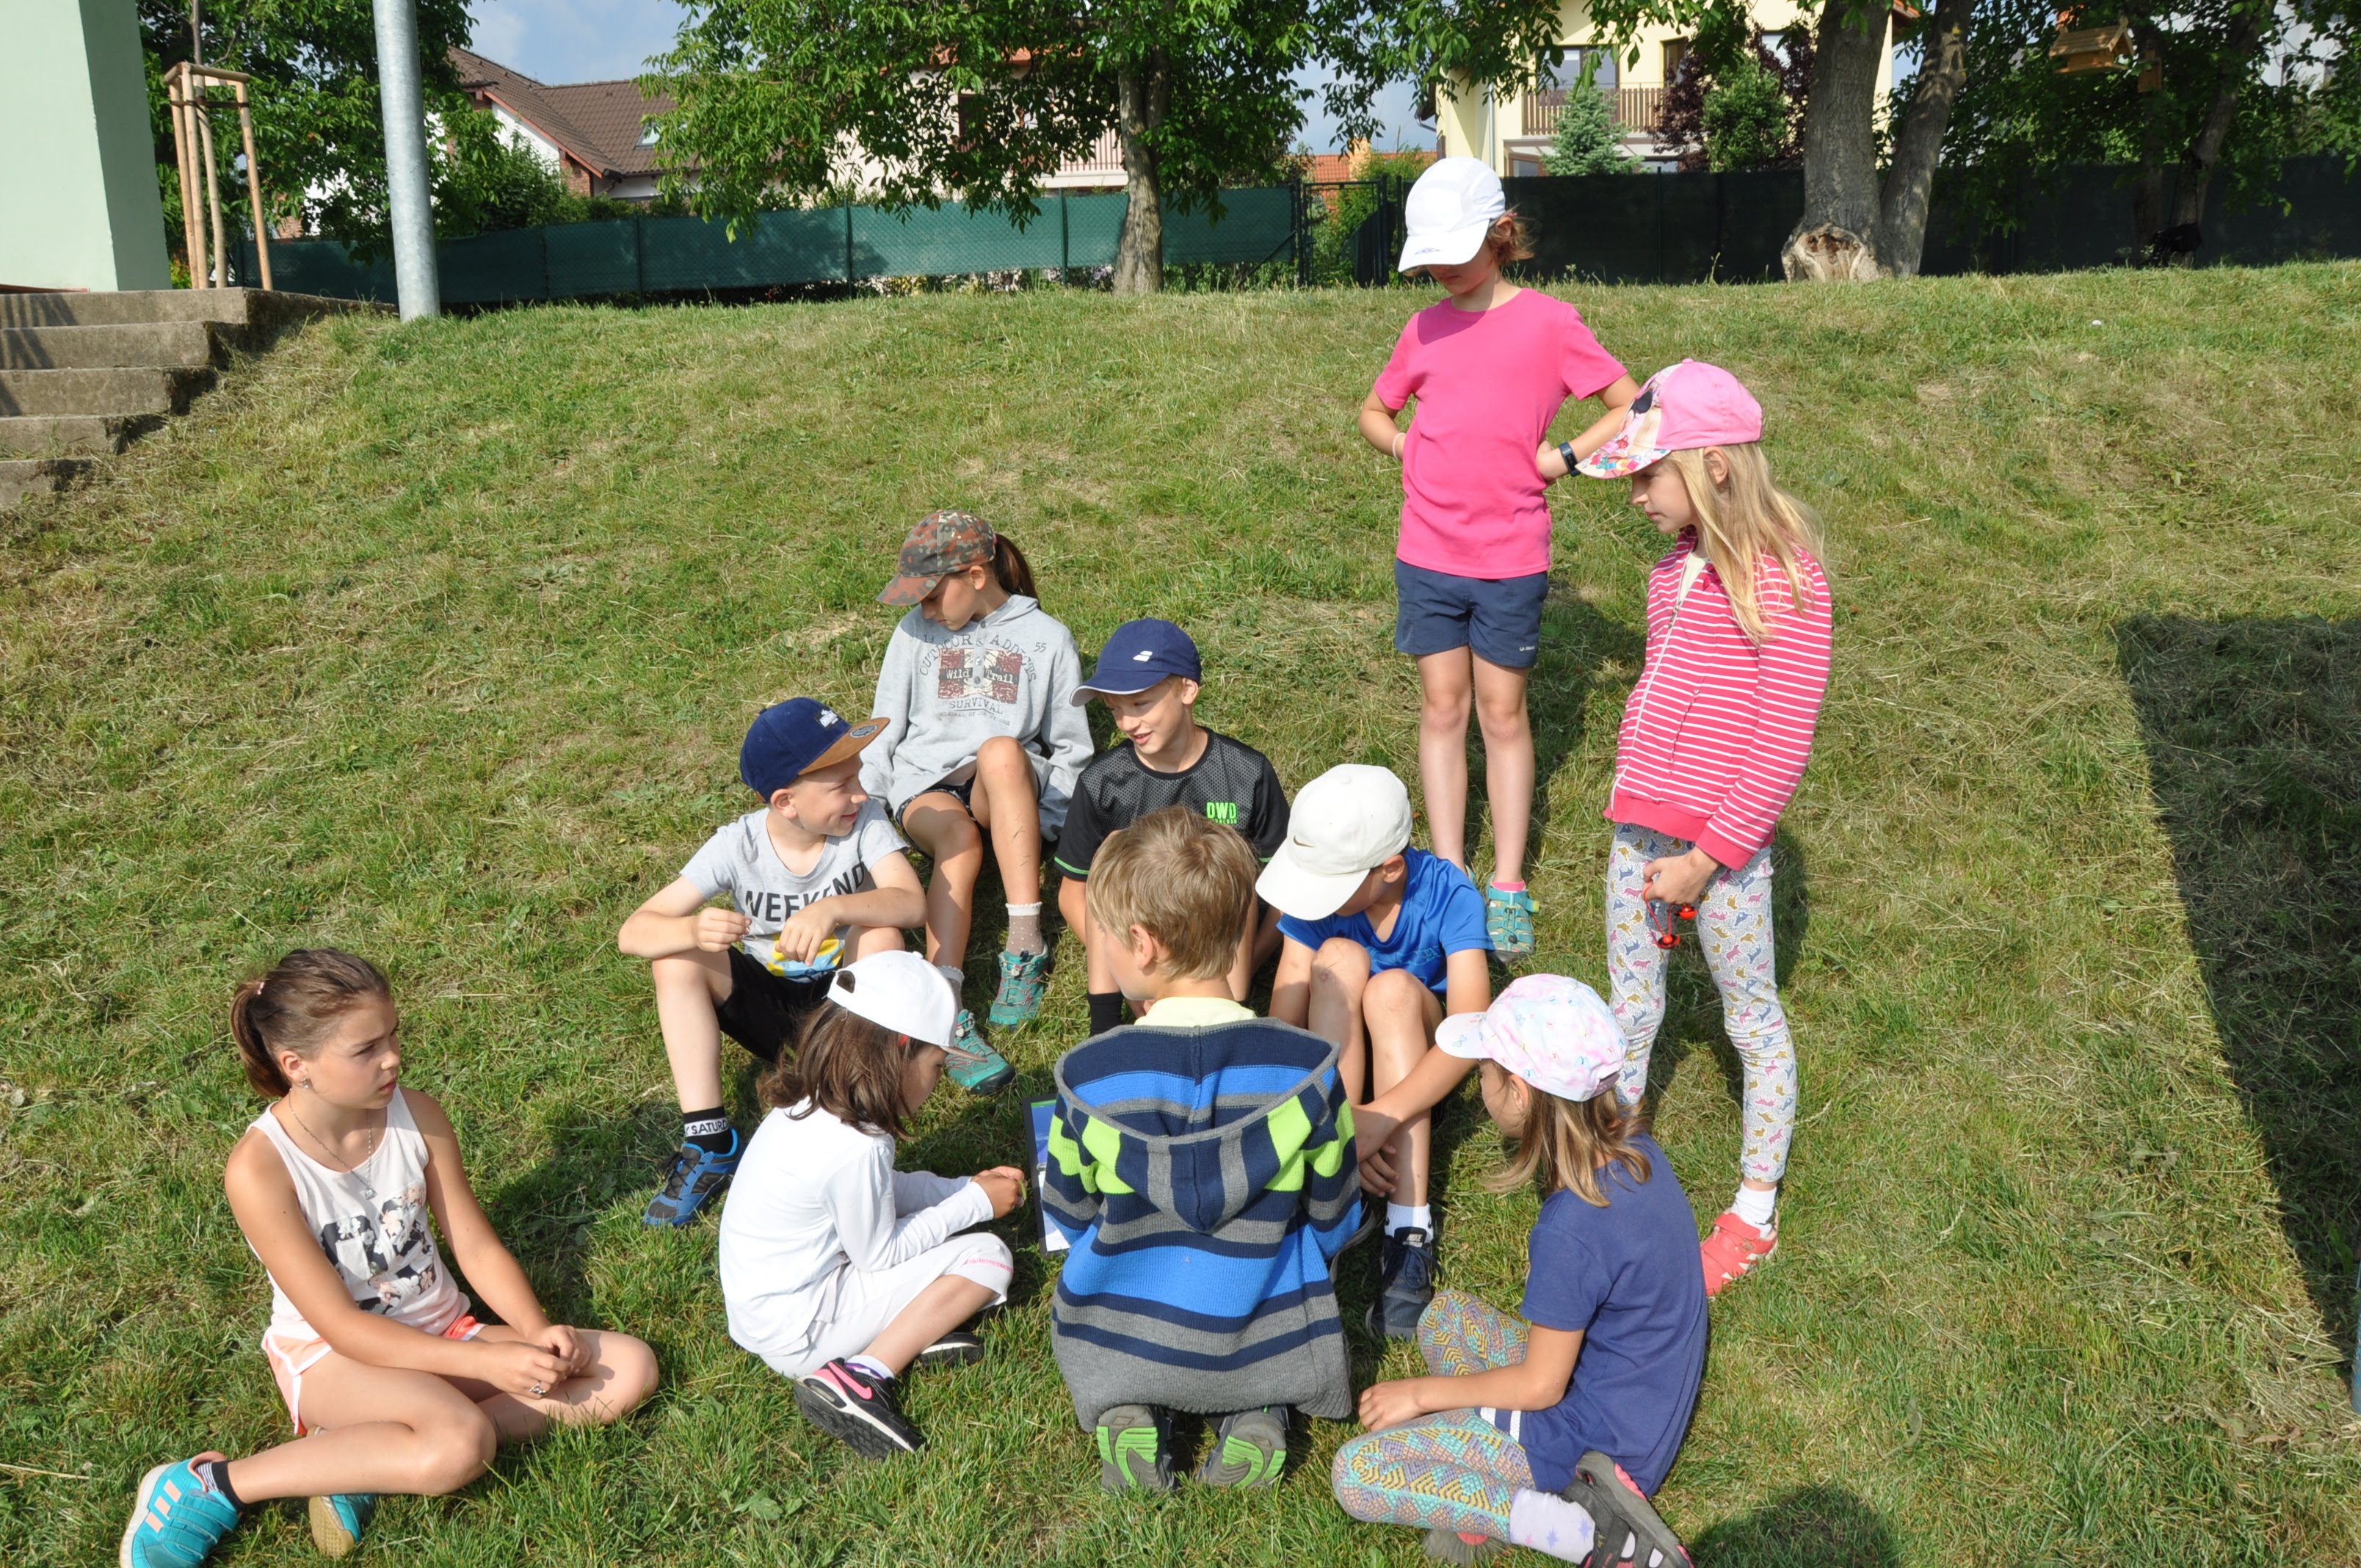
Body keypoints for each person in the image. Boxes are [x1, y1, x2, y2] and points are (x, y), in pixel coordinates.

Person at [121, 951, 659, 1568]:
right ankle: (211, 1485)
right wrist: (487, 1364)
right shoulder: (261, 1169)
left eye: (393, 1035)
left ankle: (368, 1453)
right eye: (366, 1049)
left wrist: (535, 1330)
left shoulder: (417, 1114)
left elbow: (475, 1246)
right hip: (334, 1359)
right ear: (297, 1066)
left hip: (445, 1330)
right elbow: (342, 1327)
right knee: (461, 1445)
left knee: (629, 1368)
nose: (393, 1057)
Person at [1545, 359, 1832, 1294]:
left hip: (1724, 852)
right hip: (1641, 831)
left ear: (1712, 465)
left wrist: (1707, 859)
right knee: (1630, 1005)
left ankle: (1754, 1211)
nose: (1635, 497)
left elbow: (1780, 745)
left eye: (1647, 475)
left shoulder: (1787, 580)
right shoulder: (1673, 569)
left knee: (1751, 1018)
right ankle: (1613, 1165)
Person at [1358, 156, 1640, 959]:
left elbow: (1630, 402)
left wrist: (1565, 458)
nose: (1442, 270)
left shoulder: (1551, 323)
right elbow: (1374, 410)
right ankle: (1451, 874)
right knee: (1442, 709)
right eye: (1432, 258)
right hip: (1427, 554)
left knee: (1502, 714)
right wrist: (1404, 445)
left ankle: (1508, 881)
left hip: (1511, 559)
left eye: (1455, 252)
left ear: (1501, 234)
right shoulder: (1423, 328)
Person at [1331, 976, 1703, 1568]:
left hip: (1599, 1448)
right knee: (1444, 1316)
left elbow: (1541, 1387)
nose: (1479, 1083)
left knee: (1359, 1471)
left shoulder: (1573, 1227)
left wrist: (1420, 1394)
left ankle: (1587, 1529)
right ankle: (1488, 1449)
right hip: (1639, 1403)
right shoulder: (1636, 1152)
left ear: (1521, 1093)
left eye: (1485, 1070)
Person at [1042, 809, 1358, 1492]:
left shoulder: (1090, 1078)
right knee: (1283, 1313)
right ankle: (1259, 1410)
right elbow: (1335, 1214)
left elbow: (1067, 1211)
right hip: (1264, 1329)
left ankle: (1128, 1406)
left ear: (1142, 944)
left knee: (1113, 1344)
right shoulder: (1307, 1070)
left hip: (1127, 1332)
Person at [618, 697, 1008, 1232]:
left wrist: (835, 909)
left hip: (844, 1010)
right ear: (786, 802)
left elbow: (910, 901)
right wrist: (691, 930)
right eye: (842, 785)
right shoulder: (737, 845)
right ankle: (708, 1140)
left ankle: (863, 1109)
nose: (861, 793)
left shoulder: (865, 821)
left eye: (858, 775)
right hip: (771, 1004)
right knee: (675, 960)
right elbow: (634, 932)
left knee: (882, 934)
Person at [717, 950, 1022, 1459]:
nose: (937, 1082)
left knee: (942, 1237)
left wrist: (963, 1187)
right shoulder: (859, 1146)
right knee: (988, 1257)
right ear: (902, 1047)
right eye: (937, 1065)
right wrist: (975, 1204)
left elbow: (883, 1193)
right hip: (802, 1335)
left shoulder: (811, 1104)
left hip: (772, 1317)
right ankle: (861, 1376)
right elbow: (880, 1254)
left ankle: (906, 1334)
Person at [1261, 763, 1490, 1340]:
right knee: (1336, 960)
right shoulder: (1322, 905)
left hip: (1418, 1066)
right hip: (1340, 1082)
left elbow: (1471, 1030)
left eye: (1329, 883)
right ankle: (1331, 1180)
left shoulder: (1449, 893)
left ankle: (1409, 1228)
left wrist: (1382, 1116)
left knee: (1391, 992)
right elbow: (1283, 1020)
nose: (1315, 896)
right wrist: (1337, 1121)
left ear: (1390, 868)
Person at [866, 509, 1092, 1048]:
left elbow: (1072, 747)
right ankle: (944, 997)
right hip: (928, 786)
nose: (924, 609)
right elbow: (883, 725)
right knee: (959, 841)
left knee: (1001, 751)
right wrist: (867, 810)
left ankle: (1025, 943)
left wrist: (1052, 819)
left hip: (1005, 787)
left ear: (974, 575)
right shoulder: (912, 632)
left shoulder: (1048, 639)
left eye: (931, 596)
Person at [1051, 618, 1291, 1032]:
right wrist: (1132, 969)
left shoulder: (1246, 773)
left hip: (1219, 957)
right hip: (1141, 952)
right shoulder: (1101, 782)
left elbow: (1284, 887)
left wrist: (1245, 962)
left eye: (1140, 704)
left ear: (1187, 690)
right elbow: (1075, 892)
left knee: (1230, 862)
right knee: (1109, 860)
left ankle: (1228, 1020)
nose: (1126, 723)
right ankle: (1104, 1030)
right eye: (1115, 709)